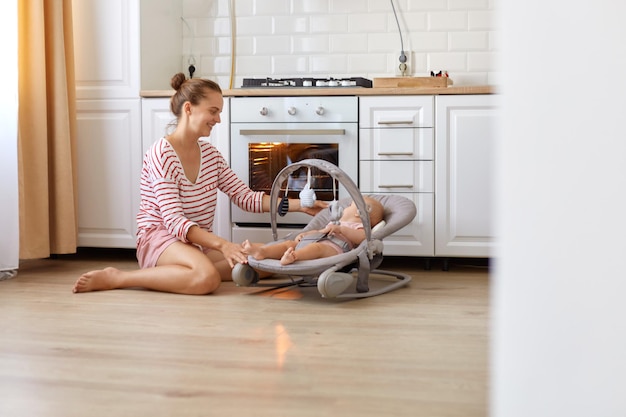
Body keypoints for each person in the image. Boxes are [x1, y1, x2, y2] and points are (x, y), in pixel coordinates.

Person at [72, 73, 326, 295]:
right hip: (161, 239)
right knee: (207, 279)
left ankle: (185, 270)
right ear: (189, 109)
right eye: (213, 111)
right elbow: (173, 221)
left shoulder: (210, 155)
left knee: (263, 263)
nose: (218, 119)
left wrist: (299, 206)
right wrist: (222, 244)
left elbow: (245, 197)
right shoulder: (162, 153)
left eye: (219, 112)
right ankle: (118, 277)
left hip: (194, 244)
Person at [241, 197, 384, 266]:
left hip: (334, 249)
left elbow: (362, 239)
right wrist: (306, 235)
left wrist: (341, 229)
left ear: (359, 213)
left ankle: (294, 256)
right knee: (289, 244)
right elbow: (320, 231)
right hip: (318, 239)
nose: (345, 208)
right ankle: (262, 252)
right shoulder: (335, 222)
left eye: (349, 206)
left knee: (317, 248)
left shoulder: (359, 228)